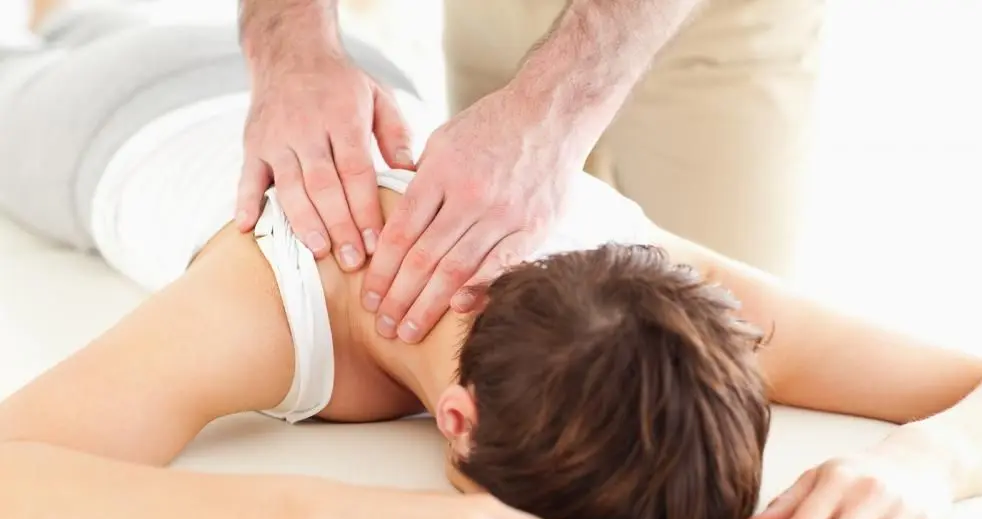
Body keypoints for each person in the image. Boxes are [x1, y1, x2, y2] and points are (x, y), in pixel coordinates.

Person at [2, 4, 982, 519]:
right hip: (103, 123)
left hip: (364, 78)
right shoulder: (274, 299)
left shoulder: (669, 294)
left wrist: (925, 461)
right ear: (457, 418)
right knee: (27, 52)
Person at [235, 0, 825, 347]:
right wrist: (290, 48)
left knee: (728, 350)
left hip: (705, 24)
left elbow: (908, 386)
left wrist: (557, 106)